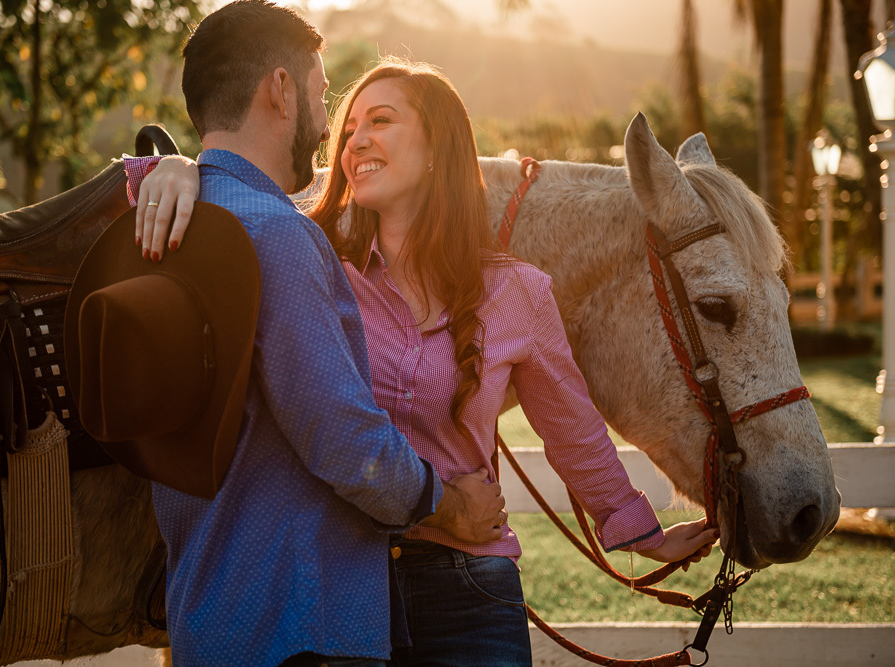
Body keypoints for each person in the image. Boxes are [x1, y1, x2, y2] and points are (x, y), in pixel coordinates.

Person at [132, 59, 718, 666]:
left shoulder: (517, 294)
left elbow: (574, 432)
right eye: (350, 125)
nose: (356, 139)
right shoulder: (316, 266)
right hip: (344, 587)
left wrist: (642, 533)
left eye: (381, 120)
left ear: (438, 144)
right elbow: (243, 201)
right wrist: (179, 171)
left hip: (470, 592)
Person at [131, 4, 511, 666]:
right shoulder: (276, 234)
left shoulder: (163, 225)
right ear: (280, 88)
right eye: (321, 90)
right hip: (301, 626)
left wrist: (171, 166)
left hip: (209, 618)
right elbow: (342, 438)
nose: (326, 117)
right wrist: (449, 505)